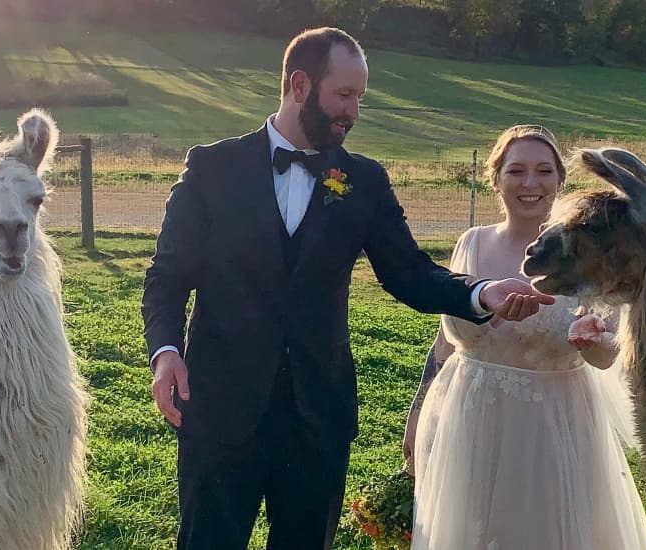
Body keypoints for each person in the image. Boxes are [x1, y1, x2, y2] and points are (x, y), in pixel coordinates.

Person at [139, 28, 556, 550]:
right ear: (299, 85)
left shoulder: (363, 180)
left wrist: (480, 293)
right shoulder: (212, 167)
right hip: (221, 411)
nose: (353, 111)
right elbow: (168, 275)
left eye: (359, 97)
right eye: (344, 95)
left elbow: (410, 272)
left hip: (318, 420)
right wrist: (166, 352)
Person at [402, 124, 646, 549]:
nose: (530, 183)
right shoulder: (473, 243)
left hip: (553, 426)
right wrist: (417, 413)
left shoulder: (592, 254)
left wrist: (592, 343)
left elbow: (609, 354)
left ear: (560, 179)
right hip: (469, 416)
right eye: (516, 171)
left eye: (543, 171)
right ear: (496, 179)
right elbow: (446, 342)